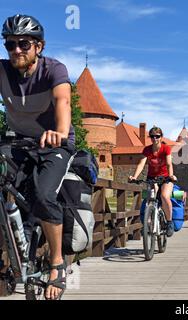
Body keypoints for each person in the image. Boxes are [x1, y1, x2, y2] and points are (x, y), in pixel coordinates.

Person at [0, 14, 76, 300]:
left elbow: (63, 101)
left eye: (23, 43)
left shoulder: (54, 70)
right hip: (17, 142)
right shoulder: (3, 71)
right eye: (9, 45)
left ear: (39, 47)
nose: (16, 50)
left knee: (44, 196)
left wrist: (59, 131)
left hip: (54, 143)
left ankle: (57, 263)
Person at [129, 126, 177, 237]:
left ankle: (170, 222)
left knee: (165, 196)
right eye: (152, 136)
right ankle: (148, 223)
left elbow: (169, 163)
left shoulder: (166, 148)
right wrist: (135, 177)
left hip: (165, 178)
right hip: (152, 178)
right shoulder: (147, 150)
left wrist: (171, 176)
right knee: (151, 197)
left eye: (157, 136)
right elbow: (141, 164)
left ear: (161, 137)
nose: (155, 138)